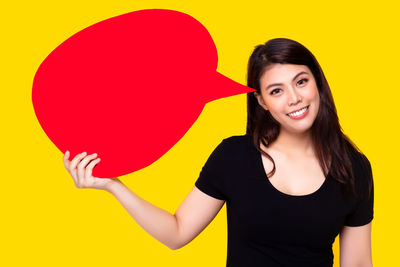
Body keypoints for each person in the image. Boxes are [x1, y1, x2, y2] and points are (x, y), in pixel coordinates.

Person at [63, 38, 374, 267]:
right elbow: (177, 232)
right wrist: (114, 186)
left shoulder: (354, 168)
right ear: (263, 102)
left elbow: (358, 264)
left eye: (301, 82)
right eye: (276, 90)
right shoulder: (234, 156)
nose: (294, 98)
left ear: (317, 84)